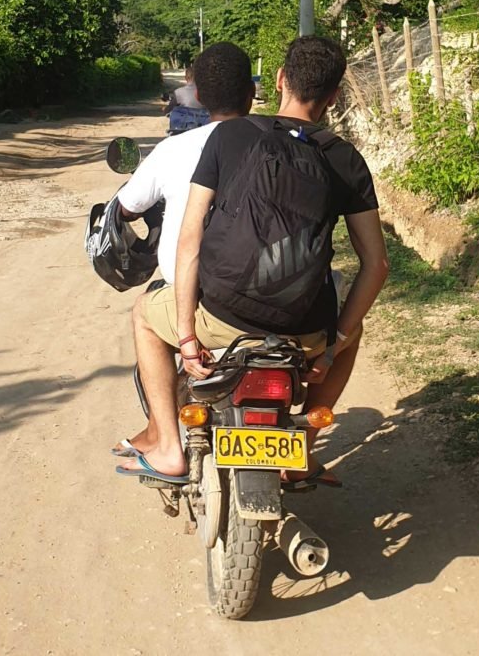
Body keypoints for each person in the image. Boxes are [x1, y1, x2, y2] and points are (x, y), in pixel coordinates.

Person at [119, 35, 389, 484]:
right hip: (305, 331)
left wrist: (187, 338)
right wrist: (334, 341)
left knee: (145, 317)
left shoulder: (232, 136)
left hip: (223, 316)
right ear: (335, 95)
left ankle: (168, 447)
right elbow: (376, 266)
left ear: (280, 79)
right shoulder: (344, 158)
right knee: (354, 329)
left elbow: (190, 243)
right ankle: (300, 450)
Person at [109, 42, 254, 459]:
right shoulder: (282, 143)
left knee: (145, 314)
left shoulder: (176, 149)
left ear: (200, 96)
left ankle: (167, 442)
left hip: (208, 307)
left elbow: (129, 204)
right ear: (252, 92)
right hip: (283, 298)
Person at [162, 66, 210, 134]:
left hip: (185, 127)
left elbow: (170, 109)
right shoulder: (207, 92)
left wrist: (165, 110)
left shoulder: (178, 92)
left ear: (186, 78)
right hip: (204, 127)